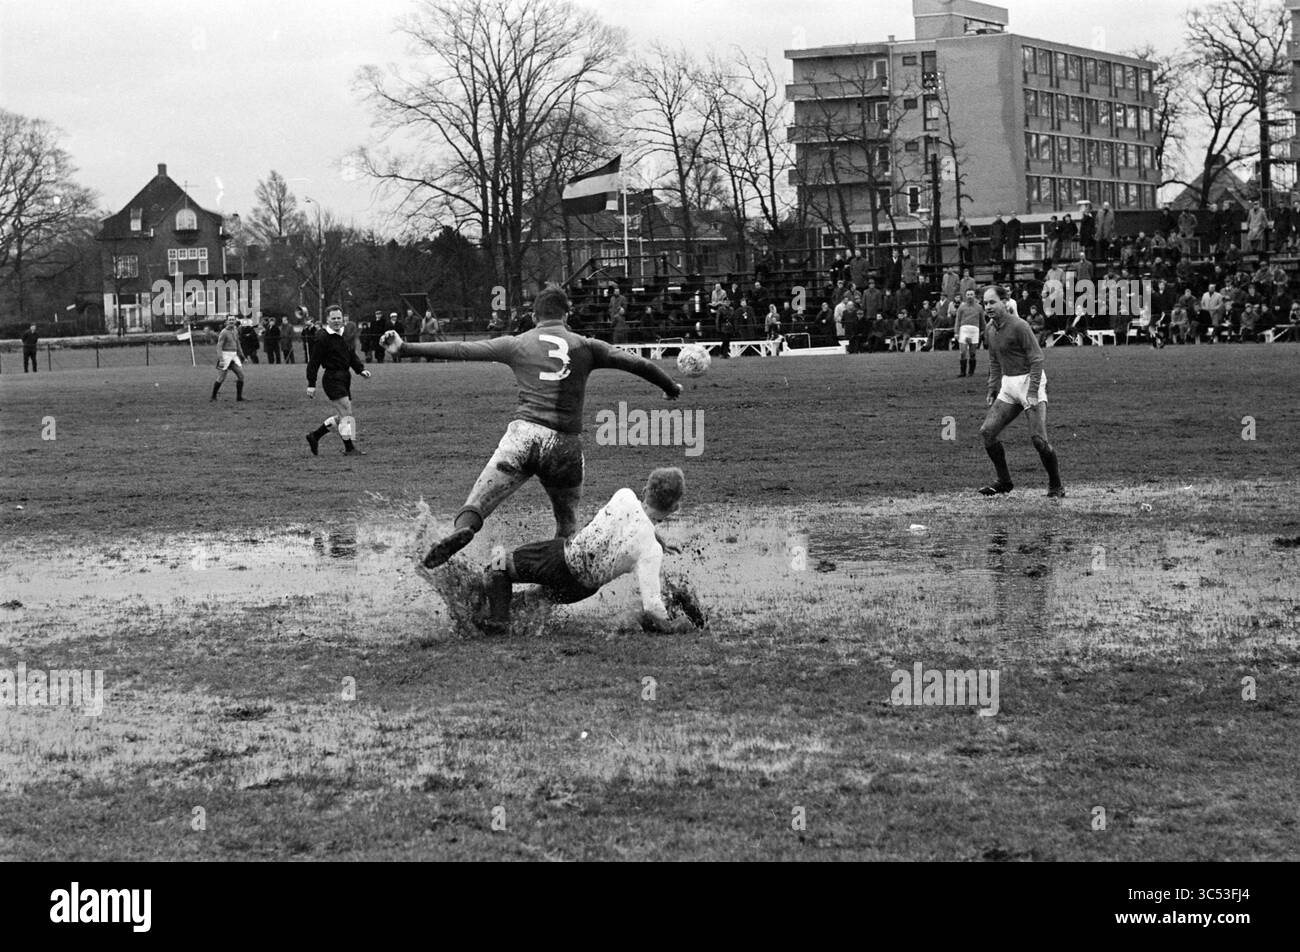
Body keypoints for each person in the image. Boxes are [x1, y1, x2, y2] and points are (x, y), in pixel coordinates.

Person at [379, 286, 682, 568]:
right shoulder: (587, 346)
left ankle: (464, 529)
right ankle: (552, 578)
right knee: (566, 525)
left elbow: (463, 349)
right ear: (567, 315)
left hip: (523, 437)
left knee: (478, 503)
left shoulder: (517, 343)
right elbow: (637, 363)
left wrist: (404, 347)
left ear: (535, 317)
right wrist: (670, 387)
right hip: (564, 446)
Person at [477, 467, 700, 636]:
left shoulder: (624, 496)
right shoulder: (651, 551)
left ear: (645, 490)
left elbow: (633, 518)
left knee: (499, 565)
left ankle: (497, 621)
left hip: (561, 559)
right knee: (532, 601)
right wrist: (670, 627)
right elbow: (652, 605)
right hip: (581, 589)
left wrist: (656, 538)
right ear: (674, 508)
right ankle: (496, 615)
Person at [978, 285, 1064, 498]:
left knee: (1038, 440)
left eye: (992, 302)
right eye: (985, 303)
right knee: (987, 432)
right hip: (1009, 385)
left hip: (1030, 382)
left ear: (1004, 302)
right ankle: (1004, 481)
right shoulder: (990, 329)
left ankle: (1056, 485)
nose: (988, 306)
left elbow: (1037, 359)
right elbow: (994, 361)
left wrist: (1033, 391)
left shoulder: (1019, 326)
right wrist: (992, 387)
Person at [305, 305, 372, 457]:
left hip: (345, 378)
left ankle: (315, 436)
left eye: (339, 318)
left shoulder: (344, 334)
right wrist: (311, 384)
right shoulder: (322, 337)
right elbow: (314, 362)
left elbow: (351, 355)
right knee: (347, 414)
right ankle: (350, 449)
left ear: (343, 319)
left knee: (343, 415)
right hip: (331, 379)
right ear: (327, 319)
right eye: (333, 318)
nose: (336, 321)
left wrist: (360, 370)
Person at [211, 316, 247, 402]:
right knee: (221, 377)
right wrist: (221, 359)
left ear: (235, 321)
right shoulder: (224, 332)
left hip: (233, 356)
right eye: (229, 320)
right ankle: (213, 396)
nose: (231, 321)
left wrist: (242, 356)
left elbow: (238, 344)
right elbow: (219, 346)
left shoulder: (235, 331)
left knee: (241, 376)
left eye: (233, 320)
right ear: (226, 322)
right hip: (225, 355)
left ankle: (239, 397)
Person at [954, 288, 983, 378]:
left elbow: (982, 320)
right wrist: (956, 332)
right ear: (965, 296)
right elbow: (957, 320)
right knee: (962, 352)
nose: (970, 296)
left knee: (972, 353)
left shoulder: (979, 307)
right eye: (968, 294)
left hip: (974, 330)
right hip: (964, 329)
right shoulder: (962, 307)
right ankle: (962, 372)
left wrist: (983, 330)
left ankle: (971, 372)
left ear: (974, 296)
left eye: (971, 294)